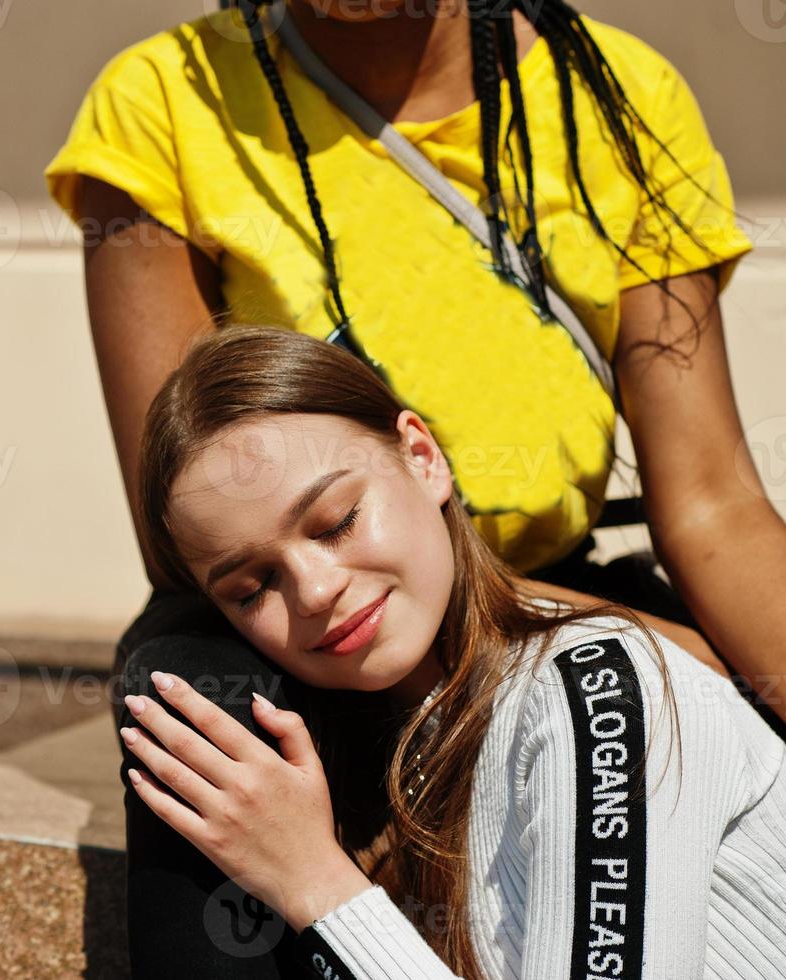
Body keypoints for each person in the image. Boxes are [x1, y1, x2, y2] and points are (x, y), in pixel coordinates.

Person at [42, 0, 786, 705]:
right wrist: (638, 645)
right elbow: (182, 527)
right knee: (206, 708)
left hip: (549, 591)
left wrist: (724, 687)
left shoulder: (621, 92)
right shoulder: (163, 102)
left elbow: (710, 503)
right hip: (303, 627)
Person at [117, 324, 786, 977]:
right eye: (252, 586)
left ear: (421, 457)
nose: (315, 591)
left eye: (335, 521)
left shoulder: (594, 689)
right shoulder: (377, 766)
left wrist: (313, 884)